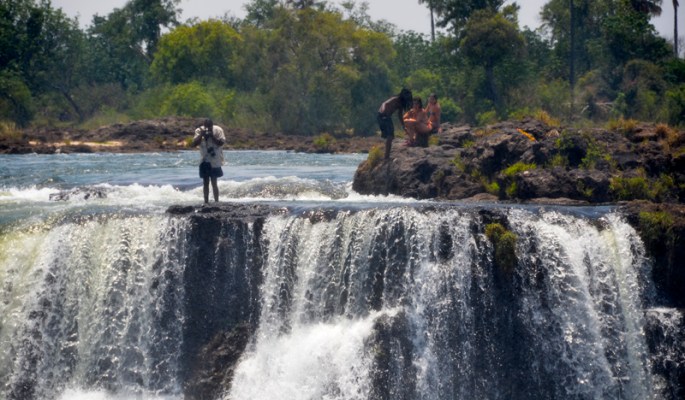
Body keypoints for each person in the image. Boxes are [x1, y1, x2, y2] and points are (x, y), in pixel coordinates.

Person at [192, 118, 225, 203]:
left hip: (215, 160)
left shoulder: (218, 130)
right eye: (206, 127)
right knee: (205, 182)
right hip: (204, 160)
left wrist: (212, 135)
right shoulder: (199, 131)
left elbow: (221, 143)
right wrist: (201, 135)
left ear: (212, 125)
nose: (207, 129)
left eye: (209, 127)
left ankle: (216, 201)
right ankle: (206, 201)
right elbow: (194, 143)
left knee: (214, 182)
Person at [377, 88, 413, 159]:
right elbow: (384, 103)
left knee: (389, 136)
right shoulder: (395, 99)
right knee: (390, 136)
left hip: (387, 117)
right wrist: (383, 111)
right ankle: (386, 157)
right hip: (383, 115)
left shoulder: (400, 104)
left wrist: (403, 126)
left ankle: (386, 156)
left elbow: (399, 115)